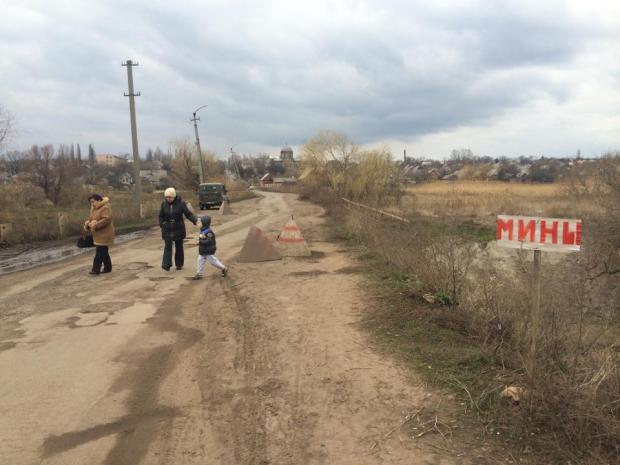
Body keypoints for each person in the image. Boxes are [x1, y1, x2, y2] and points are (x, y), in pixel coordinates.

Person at [159, 187, 198, 271]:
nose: (168, 199)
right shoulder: (163, 204)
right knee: (168, 246)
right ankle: (166, 264)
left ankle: (179, 264)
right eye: (166, 197)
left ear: (174, 196)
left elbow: (188, 214)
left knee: (179, 246)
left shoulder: (181, 203)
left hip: (178, 227)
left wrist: (195, 221)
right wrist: (162, 224)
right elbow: (160, 216)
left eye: (170, 197)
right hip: (167, 228)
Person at [84, 194, 115, 276]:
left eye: (93, 201)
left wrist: (95, 225)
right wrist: (88, 224)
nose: (92, 203)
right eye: (90, 202)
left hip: (105, 234)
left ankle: (95, 269)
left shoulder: (105, 207)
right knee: (104, 252)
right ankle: (108, 268)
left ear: (99, 200)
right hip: (97, 234)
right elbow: (91, 219)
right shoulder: (93, 208)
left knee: (99, 252)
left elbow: (106, 220)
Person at [193, 215, 227, 279]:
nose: (197, 223)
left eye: (199, 222)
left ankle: (223, 268)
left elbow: (209, 241)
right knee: (200, 261)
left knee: (213, 262)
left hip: (208, 250)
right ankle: (199, 274)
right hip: (203, 250)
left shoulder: (208, 232)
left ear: (204, 223)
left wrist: (200, 242)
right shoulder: (202, 230)